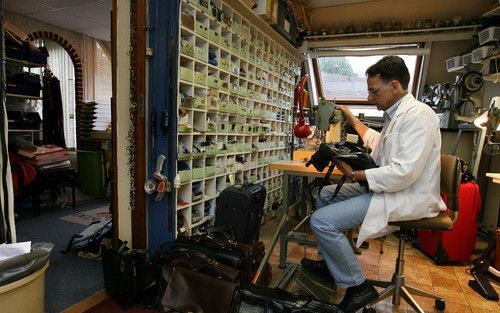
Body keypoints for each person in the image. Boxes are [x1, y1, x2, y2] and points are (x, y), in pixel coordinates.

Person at [302, 56, 446, 312]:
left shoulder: (419, 117)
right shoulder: (396, 114)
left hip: (406, 195)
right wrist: (350, 120)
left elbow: (404, 172)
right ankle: (328, 262)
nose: (369, 97)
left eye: (373, 91)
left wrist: (355, 175)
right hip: (387, 188)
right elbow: (378, 142)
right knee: (323, 194)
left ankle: (358, 287)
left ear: (394, 86)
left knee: (321, 221)